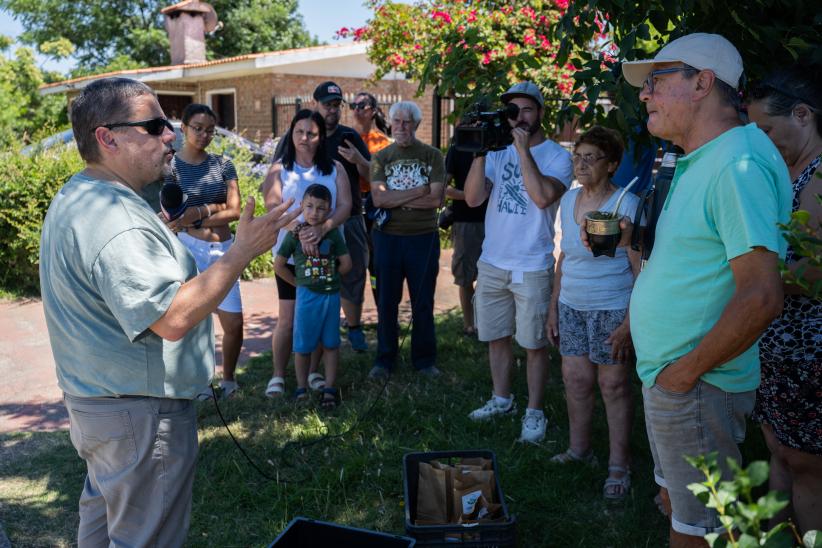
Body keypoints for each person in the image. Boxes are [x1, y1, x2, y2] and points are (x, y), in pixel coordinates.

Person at [38, 77, 298, 546]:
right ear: (107, 137)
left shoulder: (82, 196)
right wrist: (242, 252)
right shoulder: (116, 220)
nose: (170, 136)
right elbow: (173, 318)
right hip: (140, 415)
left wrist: (155, 232)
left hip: (102, 407)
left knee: (105, 533)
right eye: (154, 125)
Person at [619, 33, 792, 545]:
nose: (645, 94)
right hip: (675, 380)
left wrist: (683, 374)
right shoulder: (706, 158)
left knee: (700, 533)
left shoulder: (737, 165)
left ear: (702, 83)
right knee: (679, 507)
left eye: (656, 80)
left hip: (695, 385)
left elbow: (762, 296)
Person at [464, 81, 573, 444]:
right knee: (496, 337)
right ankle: (501, 399)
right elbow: (473, 198)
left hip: (532, 263)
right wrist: (481, 152)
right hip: (493, 260)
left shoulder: (558, 156)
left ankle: (534, 411)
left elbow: (543, 198)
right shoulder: (496, 153)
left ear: (540, 112)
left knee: (533, 343)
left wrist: (523, 150)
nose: (520, 117)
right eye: (514, 111)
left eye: (527, 110)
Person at [746, 64, 822, 535]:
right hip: (776, 342)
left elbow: (814, 273)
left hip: (808, 348)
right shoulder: (785, 169)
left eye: (766, 129)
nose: (761, 141)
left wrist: (740, 276)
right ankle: (774, 538)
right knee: (778, 450)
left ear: (802, 114)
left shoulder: (819, 176)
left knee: (806, 464)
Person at [546, 126, 639, 500]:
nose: (581, 164)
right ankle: (578, 449)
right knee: (576, 381)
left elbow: (638, 267)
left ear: (612, 164)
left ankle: (620, 465)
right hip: (572, 304)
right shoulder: (568, 201)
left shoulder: (627, 204)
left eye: (591, 157)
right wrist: (553, 308)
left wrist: (632, 321)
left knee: (613, 385)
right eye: (577, 156)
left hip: (612, 305)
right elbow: (565, 257)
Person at [276, 82, 373, 350]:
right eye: (327, 104)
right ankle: (303, 349)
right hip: (300, 229)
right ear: (316, 104)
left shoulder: (348, 136)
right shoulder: (296, 137)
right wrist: (301, 230)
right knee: (308, 287)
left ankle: (353, 328)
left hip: (346, 219)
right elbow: (279, 179)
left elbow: (371, 174)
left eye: (336, 105)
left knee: (350, 272)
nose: (332, 109)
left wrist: (358, 161)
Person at [261, 109, 351, 397]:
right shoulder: (279, 169)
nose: (305, 138)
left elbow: (345, 206)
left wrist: (323, 228)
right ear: (291, 133)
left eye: (311, 133)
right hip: (291, 257)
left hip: (326, 255)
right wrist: (301, 230)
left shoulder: (334, 168)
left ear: (320, 136)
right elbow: (272, 205)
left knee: (322, 316)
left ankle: (313, 372)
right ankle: (278, 375)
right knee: (288, 318)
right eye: (299, 131)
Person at [164, 103, 243, 400]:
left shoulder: (223, 164)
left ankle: (230, 380)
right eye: (197, 128)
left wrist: (196, 213)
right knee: (193, 322)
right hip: (189, 249)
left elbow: (234, 210)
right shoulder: (171, 166)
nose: (204, 134)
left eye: (210, 129)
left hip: (223, 249)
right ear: (182, 127)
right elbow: (173, 214)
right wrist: (213, 208)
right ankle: (198, 384)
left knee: (233, 321)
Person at [368, 100, 446, 379]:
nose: (401, 127)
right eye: (397, 121)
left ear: (416, 124)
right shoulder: (380, 157)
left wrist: (397, 199)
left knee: (422, 301)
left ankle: (424, 360)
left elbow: (436, 199)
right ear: (390, 123)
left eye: (407, 122)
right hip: (387, 239)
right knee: (386, 301)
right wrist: (419, 190)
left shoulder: (432, 155)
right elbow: (379, 198)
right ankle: (384, 360)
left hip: (423, 238)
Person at [275, 184, 352, 408]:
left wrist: (332, 277)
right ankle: (301, 388)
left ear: (329, 211)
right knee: (302, 346)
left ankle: (329, 388)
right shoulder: (294, 235)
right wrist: (299, 284)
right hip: (306, 298)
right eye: (309, 206)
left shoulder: (333, 234)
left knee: (330, 343)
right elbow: (279, 265)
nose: (314, 212)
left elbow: (347, 264)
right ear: (301, 206)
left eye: (320, 208)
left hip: (331, 297)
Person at [349, 91, 392, 301]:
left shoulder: (382, 143)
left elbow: (382, 176)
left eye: (362, 105)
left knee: (376, 261)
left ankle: (382, 309)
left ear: (373, 110)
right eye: (353, 106)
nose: (356, 110)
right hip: (351, 205)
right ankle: (352, 316)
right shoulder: (346, 137)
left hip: (375, 206)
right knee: (353, 261)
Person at [444, 141, 487, 336]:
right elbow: (444, 187)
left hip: (497, 221)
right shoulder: (458, 148)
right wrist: (472, 195)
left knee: (491, 277)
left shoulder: (501, 147)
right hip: (466, 221)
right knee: (465, 275)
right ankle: (469, 325)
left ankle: (486, 323)